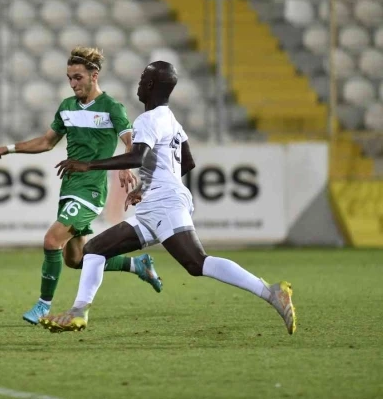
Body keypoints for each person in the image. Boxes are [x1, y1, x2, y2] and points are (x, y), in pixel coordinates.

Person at [40, 61, 297, 335]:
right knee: (94, 250)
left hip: (165, 204)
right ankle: (78, 312)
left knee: (197, 263)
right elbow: (186, 162)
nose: (139, 83)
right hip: (156, 204)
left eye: (143, 78)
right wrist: (144, 187)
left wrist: (88, 165)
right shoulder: (171, 120)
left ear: (150, 85)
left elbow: (137, 157)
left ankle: (271, 292)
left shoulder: (148, 120)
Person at [0, 46, 163, 325]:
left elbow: (131, 142)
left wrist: (125, 166)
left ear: (94, 75)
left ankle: (43, 306)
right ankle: (136, 264)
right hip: (69, 187)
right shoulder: (67, 107)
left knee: (51, 240)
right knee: (77, 259)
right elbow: (46, 142)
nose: (73, 83)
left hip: (91, 189)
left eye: (78, 77)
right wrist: (8, 149)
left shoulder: (111, 107)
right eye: (69, 78)